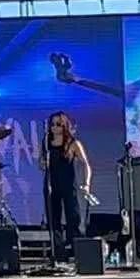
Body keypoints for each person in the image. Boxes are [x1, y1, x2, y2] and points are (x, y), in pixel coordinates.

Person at [40, 111, 92, 260]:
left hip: (69, 184)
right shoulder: (46, 142)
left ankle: (77, 252)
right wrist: (43, 163)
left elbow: (86, 164)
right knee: (53, 219)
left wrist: (86, 183)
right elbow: (41, 163)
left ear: (64, 126)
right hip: (51, 185)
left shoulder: (73, 143)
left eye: (58, 124)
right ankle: (58, 253)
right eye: (52, 125)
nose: (54, 128)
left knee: (73, 218)